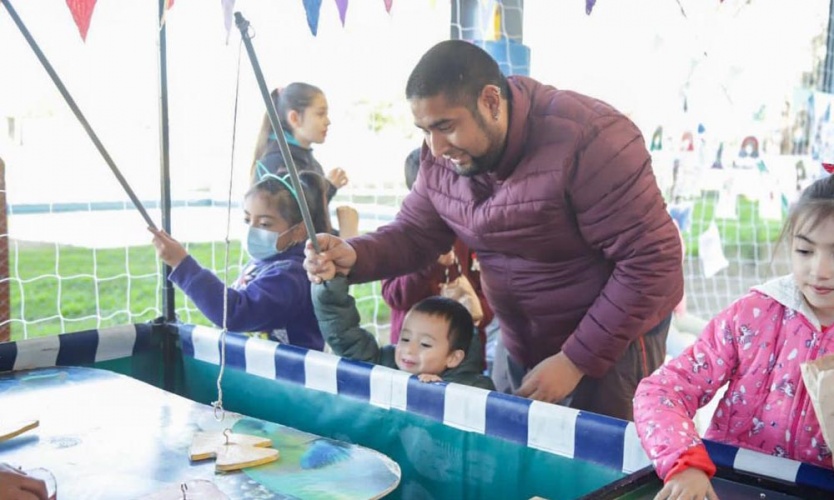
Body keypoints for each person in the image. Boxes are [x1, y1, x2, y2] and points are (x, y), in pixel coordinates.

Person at [304, 40, 682, 420]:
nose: (435, 149)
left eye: (445, 127)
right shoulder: (441, 157)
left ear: (490, 102)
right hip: (517, 342)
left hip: (609, 350)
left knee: (595, 473)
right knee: (518, 461)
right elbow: (416, 233)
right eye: (424, 130)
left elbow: (654, 262)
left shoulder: (592, 139)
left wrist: (575, 360)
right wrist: (353, 255)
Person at [633, 175, 834, 500]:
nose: (820, 270)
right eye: (805, 250)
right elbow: (661, 391)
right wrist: (684, 463)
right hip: (727, 486)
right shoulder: (753, 315)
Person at [150, 171, 331, 351]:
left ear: (298, 231)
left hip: (285, 376)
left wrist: (183, 265)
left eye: (265, 224)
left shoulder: (291, 275)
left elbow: (235, 313)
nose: (251, 229)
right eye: (247, 219)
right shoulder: (264, 261)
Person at [381, 148, 494, 350]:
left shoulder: (471, 232)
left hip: (463, 350)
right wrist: (428, 264)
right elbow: (394, 296)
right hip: (414, 354)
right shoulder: (399, 237)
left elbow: (490, 289)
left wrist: (476, 313)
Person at [312, 275, 494, 390]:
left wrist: (442, 391)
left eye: (425, 344)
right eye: (405, 338)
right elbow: (346, 337)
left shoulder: (473, 387)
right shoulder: (383, 363)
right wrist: (328, 292)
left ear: (453, 357)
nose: (409, 350)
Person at [250, 83, 348, 199]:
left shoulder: (310, 163)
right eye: (320, 114)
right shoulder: (276, 164)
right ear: (294, 118)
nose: (327, 121)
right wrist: (328, 188)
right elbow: (290, 213)